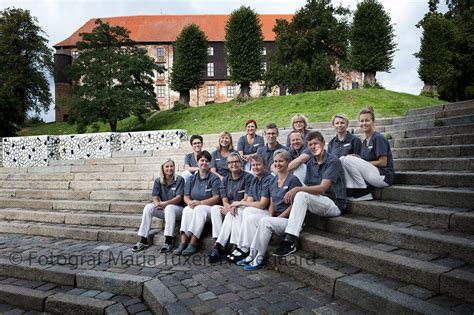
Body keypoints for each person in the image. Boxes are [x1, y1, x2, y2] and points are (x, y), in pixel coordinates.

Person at [272, 131, 347, 257]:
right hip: (318, 201)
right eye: (310, 144)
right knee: (299, 194)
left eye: (316, 143)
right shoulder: (311, 163)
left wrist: (297, 190)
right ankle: (293, 226)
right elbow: (309, 186)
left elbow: (322, 188)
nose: (313, 147)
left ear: (323, 143)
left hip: (334, 203)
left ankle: (290, 240)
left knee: (300, 194)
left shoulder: (333, 161)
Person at [238, 149, 302, 270]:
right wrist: (271, 216)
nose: (277, 164)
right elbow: (272, 202)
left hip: (290, 220)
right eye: (275, 161)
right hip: (277, 218)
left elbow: (294, 206)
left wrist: (277, 218)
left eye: (281, 161)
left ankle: (260, 257)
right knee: (251, 218)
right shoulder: (273, 180)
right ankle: (251, 253)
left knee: (265, 222)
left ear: (288, 162)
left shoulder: (293, 180)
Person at [340, 106, 395, 201]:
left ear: (373, 121)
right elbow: (365, 161)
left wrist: (361, 162)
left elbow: (383, 162)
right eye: (361, 121)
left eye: (367, 120)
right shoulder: (365, 141)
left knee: (347, 160)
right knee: (342, 159)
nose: (364, 123)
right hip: (373, 174)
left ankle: (364, 191)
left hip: (383, 176)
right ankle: (352, 190)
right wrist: (358, 159)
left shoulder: (378, 138)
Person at [207, 152, 254, 263]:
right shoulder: (225, 179)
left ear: (241, 163)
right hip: (230, 207)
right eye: (231, 162)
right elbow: (224, 200)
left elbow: (247, 199)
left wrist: (234, 206)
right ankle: (218, 242)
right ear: (228, 165)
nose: (234, 164)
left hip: (243, 206)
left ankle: (219, 246)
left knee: (234, 212)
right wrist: (229, 207)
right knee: (215, 209)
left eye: (236, 161)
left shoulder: (248, 177)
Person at [174, 151, 221, 255]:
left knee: (199, 209)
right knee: (187, 209)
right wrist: (190, 202)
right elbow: (186, 196)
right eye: (202, 160)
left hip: (211, 210)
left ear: (210, 163)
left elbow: (217, 198)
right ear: (197, 161)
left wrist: (201, 202)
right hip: (196, 206)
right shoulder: (191, 179)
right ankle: (183, 242)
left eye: (207, 161)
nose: (204, 163)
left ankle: (194, 243)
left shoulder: (214, 178)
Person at [132, 159, 185, 253]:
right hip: (166, 209)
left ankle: (168, 241)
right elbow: (155, 196)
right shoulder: (158, 181)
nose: (170, 168)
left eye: (171, 166)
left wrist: (165, 203)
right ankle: (143, 240)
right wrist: (156, 203)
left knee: (169, 207)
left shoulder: (179, 179)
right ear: (163, 168)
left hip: (179, 210)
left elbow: (179, 198)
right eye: (167, 166)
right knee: (148, 207)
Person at [230, 154, 273, 263]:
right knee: (239, 210)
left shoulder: (268, 179)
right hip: (260, 210)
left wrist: (239, 202)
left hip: (269, 212)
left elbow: (263, 204)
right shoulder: (254, 180)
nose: (255, 167)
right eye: (253, 165)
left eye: (258, 164)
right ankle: (241, 246)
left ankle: (245, 247)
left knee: (247, 210)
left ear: (265, 166)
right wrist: (238, 205)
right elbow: (249, 200)